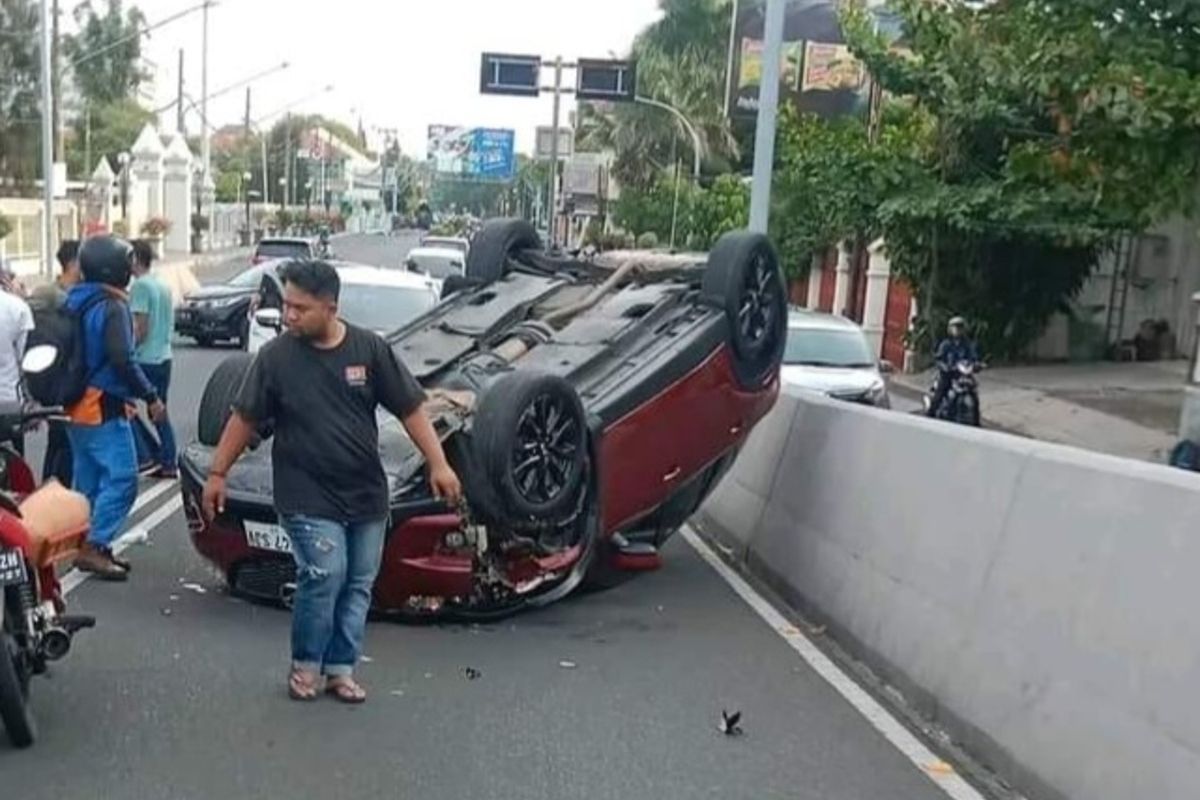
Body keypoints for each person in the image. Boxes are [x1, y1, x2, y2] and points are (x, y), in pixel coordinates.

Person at [201, 259, 462, 704]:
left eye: (300, 308)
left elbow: (411, 408)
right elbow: (244, 418)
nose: (288, 316)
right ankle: (306, 666)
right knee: (325, 572)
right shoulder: (276, 358)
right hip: (304, 491)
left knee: (360, 582)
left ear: (330, 307)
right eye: (286, 305)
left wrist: (439, 464)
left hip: (364, 492)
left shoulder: (369, 351)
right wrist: (217, 473)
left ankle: (340, 669)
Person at [66, 236, 166, 580]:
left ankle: (81, 540)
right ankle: (96, 547)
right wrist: (150, 395)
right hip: (103, 403)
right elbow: (122, 358)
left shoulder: (75, 299)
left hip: (73, 402)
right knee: (123, 479)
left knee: (88, 480)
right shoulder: (112, 306)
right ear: (114, 269)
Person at [29, 239, 84, 485]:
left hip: (63, 383)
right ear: (73, 264)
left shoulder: (52, 294)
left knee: (61, 443)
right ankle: (55, 493)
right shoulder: (57, 298)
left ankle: (52, 489)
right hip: (62, 383)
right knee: (63, 444)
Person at [128, 239, 178, 479]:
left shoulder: (141, 287)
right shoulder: (162, 284)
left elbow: (140, 327)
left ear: (135, 259)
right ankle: (168, 460)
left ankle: (145, 455)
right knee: (159, 411)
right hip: (164, 356)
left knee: (122, 404)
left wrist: (127, 348)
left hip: (145, 358)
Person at [0, 260, 34, 455]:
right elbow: (26, 361)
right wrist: (33, 402)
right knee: (15, 470)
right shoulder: (16, 307)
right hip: (8, 401)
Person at [926, 316, 980, 418]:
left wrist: (976, 365)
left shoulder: (967, 344)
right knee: (940, 392)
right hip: (948, 374)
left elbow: (973, 357)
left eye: (961, 327)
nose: (958, 330)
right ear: (950, 329)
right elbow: (939, 359)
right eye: (956, 327)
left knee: (974, 392)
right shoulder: (946, 344)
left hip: (963, 375)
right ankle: (930, 414)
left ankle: (976, 419)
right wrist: (945, 367)